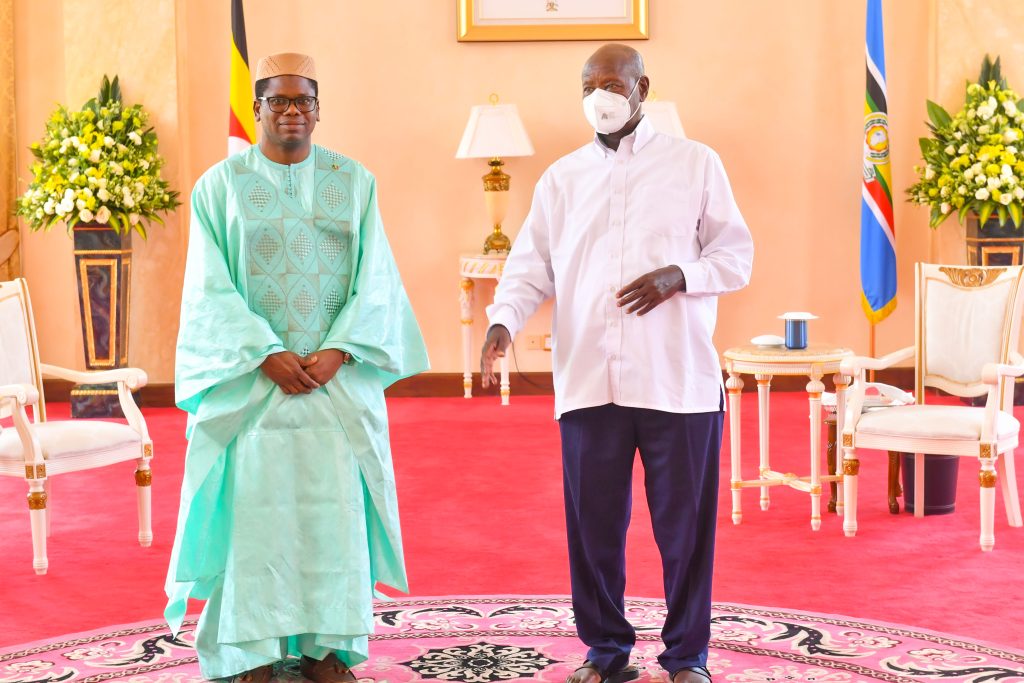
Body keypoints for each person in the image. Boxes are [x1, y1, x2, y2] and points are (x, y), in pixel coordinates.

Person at [480, 44, 753, 683]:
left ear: (641, 88)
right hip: (588, 381)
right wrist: (501, 320)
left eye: (610, 82)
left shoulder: (695, 164)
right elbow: (529, 268)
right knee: (593, 530)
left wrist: (678, 275)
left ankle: (687, 658)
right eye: (587, 84)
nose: (598, 94)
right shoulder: (561, 178)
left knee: (685, 532)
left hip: (676, 381)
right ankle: (606, 653)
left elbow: (737, 258)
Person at [166, 52, 428, 683]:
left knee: (330, 520)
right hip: (256, 386)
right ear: (256, 110)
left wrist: (341, 349)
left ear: (318, 109)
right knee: (256, 519)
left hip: (335, 385)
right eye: (277, 101)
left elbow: (377, 280)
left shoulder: (355, 181)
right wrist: (263, 353)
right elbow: (208, 286)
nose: (290, 112)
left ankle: (327, 648)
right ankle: (249, 650)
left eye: (302, 101)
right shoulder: (218, 186)